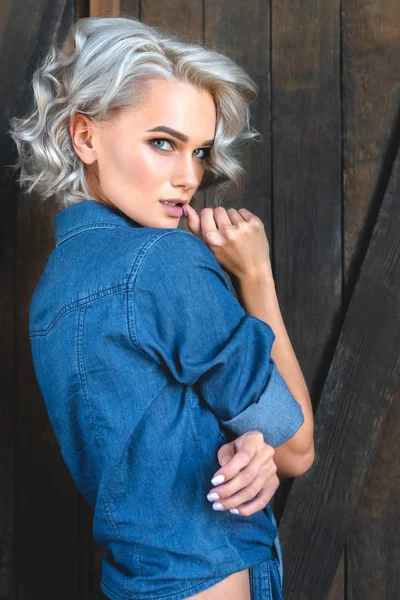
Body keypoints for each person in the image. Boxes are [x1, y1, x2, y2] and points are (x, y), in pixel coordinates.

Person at [9, 16, 314, 600]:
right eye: (163, 143)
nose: (188, 178)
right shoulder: (166, 262)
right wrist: (256, 276)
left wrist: (251, 444)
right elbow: (298, 449)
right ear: (85, 137)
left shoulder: (52, 289)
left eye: (199, 151)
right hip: (209, 578)